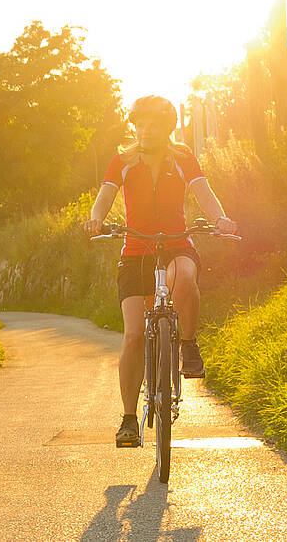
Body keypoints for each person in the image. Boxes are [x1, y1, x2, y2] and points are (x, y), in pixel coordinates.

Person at [81, 95, 238, 448]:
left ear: (167, 129)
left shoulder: (182, 158)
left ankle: (188, 345)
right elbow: (105, 196)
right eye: (140, 124)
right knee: (134, 336)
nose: (145, 130)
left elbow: (204, 192)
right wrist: (96, 219)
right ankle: (128, 419)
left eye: (153, 125)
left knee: (185, 274)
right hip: (136, 252)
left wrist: (220, 219)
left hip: (176, 244)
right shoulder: (122, 161)